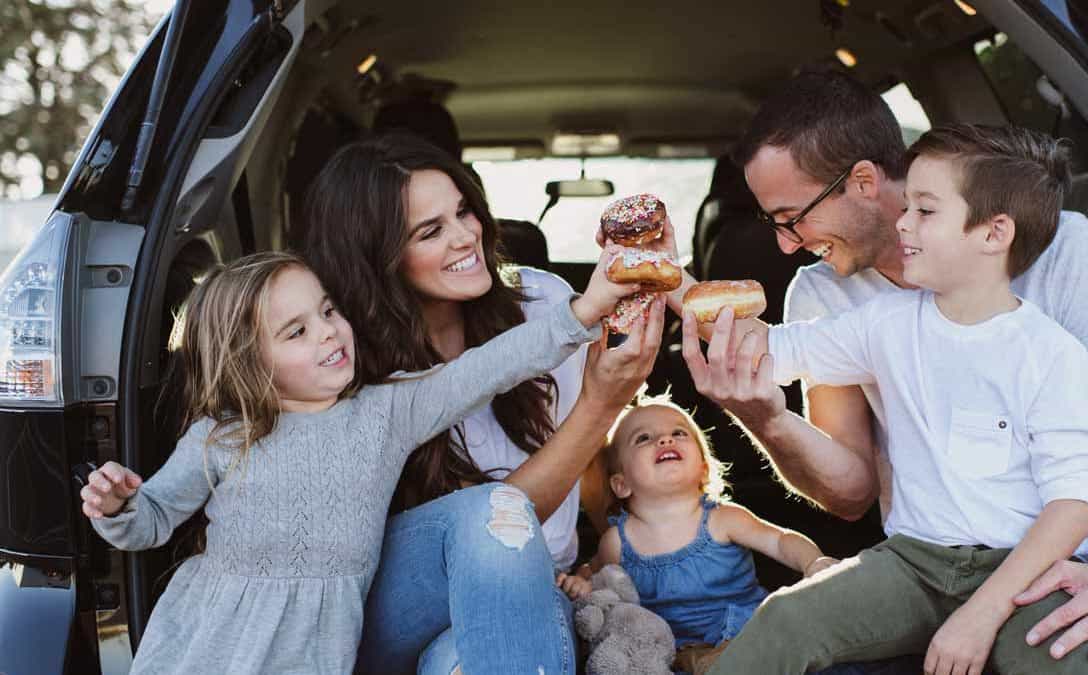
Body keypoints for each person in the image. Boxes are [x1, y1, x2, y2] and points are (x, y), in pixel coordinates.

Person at [677, 68, 1088, 674]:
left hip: (1056, 565)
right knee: (784, 621)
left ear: (863, 181)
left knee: (1065, 658)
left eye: (793, 217)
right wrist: (685, 303)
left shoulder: (1058, 312)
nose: (785, 246)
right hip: (916, 562)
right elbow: (842, 475)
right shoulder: (873, 316)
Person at [79, 250, 633, 674]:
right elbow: (150, 521)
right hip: (213, 643)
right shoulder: (221, 437)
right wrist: (119, 503)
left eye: (327, 310)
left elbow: (487, 368)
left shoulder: (385, 411)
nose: (328, 333)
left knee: (497, 508)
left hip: (318, 645)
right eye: (297, 331)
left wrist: (583, 310)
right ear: (249, 364)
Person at [298, 133, 664, 674]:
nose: (465, 237)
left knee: (459, 662)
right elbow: (493, 531)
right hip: (397, 601)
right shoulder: (343, 359)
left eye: (464, 211)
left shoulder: (544, 306)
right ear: (378, 259)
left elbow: (585, 472)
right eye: (429, 231)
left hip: (530, 594)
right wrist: (599, 407)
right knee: (489, 518)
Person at [586, 393, 837, 673]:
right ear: (621, 484)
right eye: (643, 438)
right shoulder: (617, 542)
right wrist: (577, 582)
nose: (665, 439)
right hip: (674, 656)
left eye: (678, 433)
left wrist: (812, 562)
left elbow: (780, 541)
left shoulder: (722, 519)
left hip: (746, 638)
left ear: (704, 469)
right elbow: (596, 575)